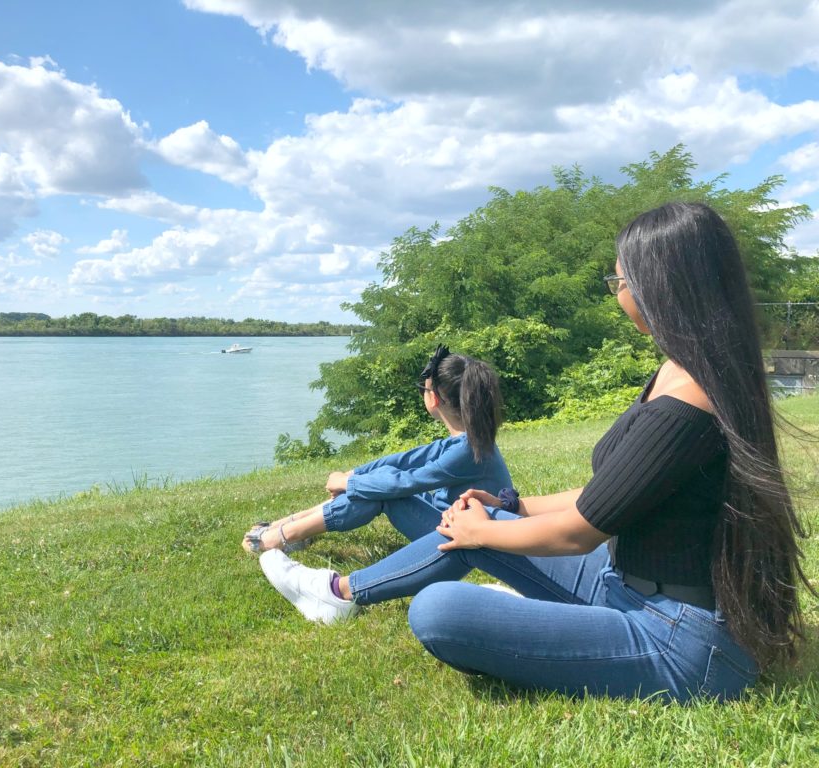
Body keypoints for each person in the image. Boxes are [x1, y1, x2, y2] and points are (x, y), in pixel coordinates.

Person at [259, 202, 812, 701]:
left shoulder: (688, 402)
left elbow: (579, 531)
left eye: (618, 277)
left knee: (440, 610)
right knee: (482, 516)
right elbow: (606, 495)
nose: (615, 289)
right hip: (629, 582)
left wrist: (482, 533)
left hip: (681, 640)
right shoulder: (688, 370)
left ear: (656, 286)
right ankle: (340, 595)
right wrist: (512, 509)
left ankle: (343, 594)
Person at [243, 346, 512, 553]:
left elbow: (403, 483)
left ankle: (281, 537)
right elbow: (402, 461)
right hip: (459, 522)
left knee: (382, 492)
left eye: (424, 388)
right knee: (377, 479)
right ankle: (292, 525)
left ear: (435, 399)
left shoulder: (466, 450)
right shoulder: (468, 440)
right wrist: (353, 474)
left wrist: (350, 481)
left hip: (470, 535)